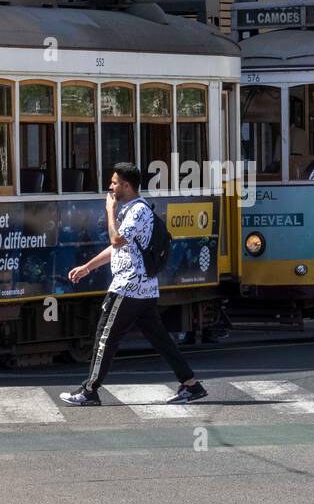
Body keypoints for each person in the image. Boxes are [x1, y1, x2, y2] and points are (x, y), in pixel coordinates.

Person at [59, 162, 206, 407]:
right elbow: (119, 248)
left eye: (114, 182)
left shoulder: (136, 210)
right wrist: (88, 267)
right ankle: (191, 384)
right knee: (160, 338)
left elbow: (116, 240)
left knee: (105, 336)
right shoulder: (135, 209)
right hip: (144, 289)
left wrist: (109, 210)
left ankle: (89, 390)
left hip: (128, 287)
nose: (110, 187)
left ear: (126, 185)